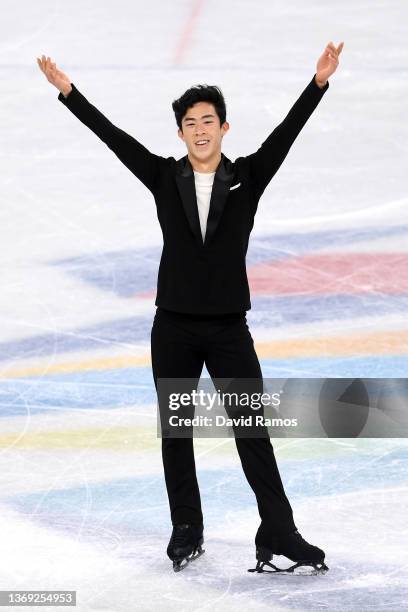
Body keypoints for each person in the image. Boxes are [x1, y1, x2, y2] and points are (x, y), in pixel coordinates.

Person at [37, 40, 343, 574]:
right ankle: (186, 527)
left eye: (208, 120)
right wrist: (70, 94)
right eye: (190, 123)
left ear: (225, 128)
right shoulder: (163, 177)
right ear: (180, 133)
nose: (200, 130)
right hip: (174, 326)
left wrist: (317, 84)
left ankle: (278, 527)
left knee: (253, 431)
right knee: (177, 432)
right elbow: (114, 139)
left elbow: (287, 135)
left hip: (229, 328)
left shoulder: (248, 176)